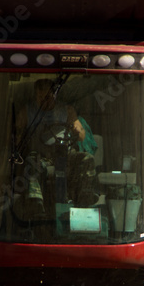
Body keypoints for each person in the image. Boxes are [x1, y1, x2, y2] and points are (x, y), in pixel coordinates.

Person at [15, 78, 98, 218]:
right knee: (31, 162)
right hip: (41, 158)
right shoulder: (26, 112)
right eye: (40, 96)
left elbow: (81, 134)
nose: (43, 100)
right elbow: (16, 135)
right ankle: (36, 203)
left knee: (86, 159)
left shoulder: (66, 110)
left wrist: (77, 131)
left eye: (47, 96)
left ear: (54, 94)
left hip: (65, 156)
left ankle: (86, 196)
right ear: (35, 95)